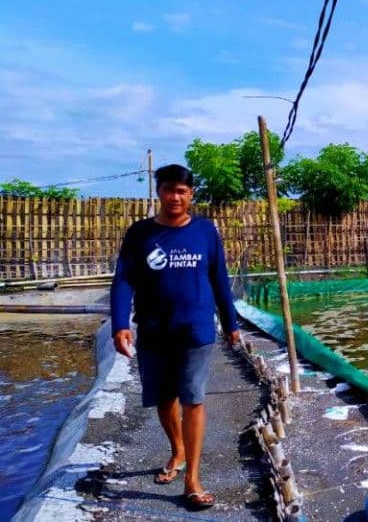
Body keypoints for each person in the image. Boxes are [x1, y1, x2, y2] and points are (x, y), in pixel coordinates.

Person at [110, 164, 240, 511]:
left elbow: (219, 280)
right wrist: (119, 324)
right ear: (159, 192)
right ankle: (177, 450)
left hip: (196, 331)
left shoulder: (205, 232)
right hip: (153, 332)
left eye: (182, 191)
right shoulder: (140, 234)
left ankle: (193, 479)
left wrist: (231, 323)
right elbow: (124, 279)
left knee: (193, 399)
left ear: (191, 195)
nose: (175, 196)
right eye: (169, 189)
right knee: (164, 400)